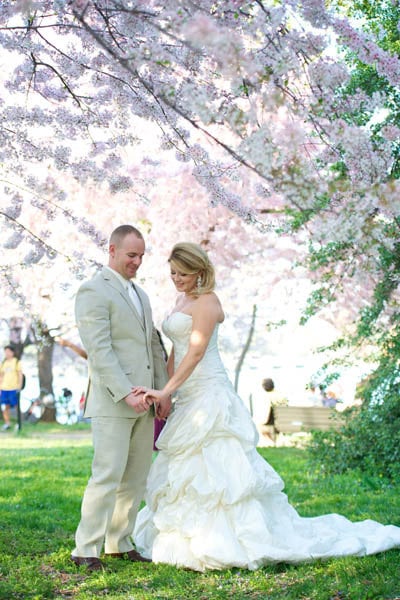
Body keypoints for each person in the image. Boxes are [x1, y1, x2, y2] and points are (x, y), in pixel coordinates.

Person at [132, 242, 400, 572]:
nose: (176, 279)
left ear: (199, 272)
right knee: (184, 467)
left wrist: (165, 390)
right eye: (172, 273)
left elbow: (197, 353)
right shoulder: (180, 299)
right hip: (186, 394)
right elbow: (177, 349)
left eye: (183, 274)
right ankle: (185, 533)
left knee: (219, 464)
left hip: (210, 390)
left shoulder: (207, 302)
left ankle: (229, 537)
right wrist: (167, 392)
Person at [70, 224, 170, 572]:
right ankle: (86, 548)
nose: (137, 262)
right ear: (111, 250)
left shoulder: (141, 295)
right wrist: (126, 393)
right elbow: (100, 351)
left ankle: (119, 542)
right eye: (131, 255)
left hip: (147, 402)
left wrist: (163, 390)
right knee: (107, 474)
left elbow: (153, 347)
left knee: (136, 477)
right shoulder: (92, 291)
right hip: (115, 401)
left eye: (142, 256)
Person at [0, 345, 23, 431]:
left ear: (12, 352)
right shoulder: (3, 363)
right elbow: (1, 376)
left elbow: (20, 375)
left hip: (13, 388)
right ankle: (7, 423)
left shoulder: (16, 362)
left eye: (9, 351)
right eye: (6, 352)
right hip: (4, 388)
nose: (7, 353)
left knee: (17, 406)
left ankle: (18, 423)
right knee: (5, 406)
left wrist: (19, 386)